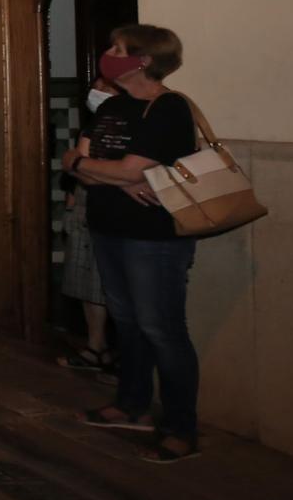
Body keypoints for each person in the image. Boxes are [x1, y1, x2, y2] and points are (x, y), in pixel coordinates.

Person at [66, 24, 202, 463]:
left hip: (154, 238)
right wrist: (108, 172)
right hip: (109, 228)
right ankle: (131, 405)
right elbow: (76, 162)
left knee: (162, 327)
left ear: (142, 60)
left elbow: (127, 169)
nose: (108, 53)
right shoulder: (113, 106)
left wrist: (103, 169)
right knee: (126, 321)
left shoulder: (168, 108)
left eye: (117, 48)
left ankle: (181, 426)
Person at [58, 75, 119, 375]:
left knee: (102, 283)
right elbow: (73, 170)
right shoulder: (94, 123)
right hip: (84, 208)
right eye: (97, 85)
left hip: (106, 210)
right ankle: (97, 346)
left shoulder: (120, 126)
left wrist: (76, 163)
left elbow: (79, 163)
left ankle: (104, 349)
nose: (99, 91)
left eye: (107, 87)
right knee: (85, 282)